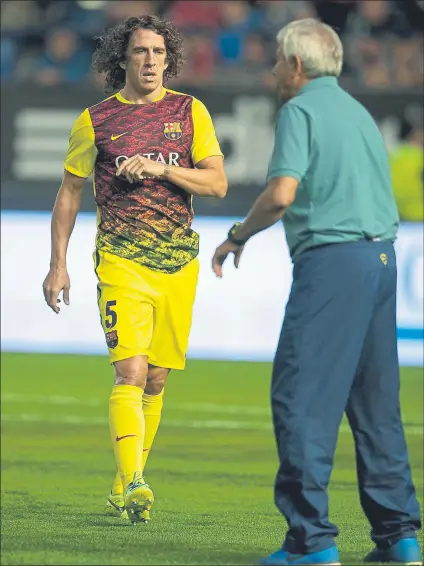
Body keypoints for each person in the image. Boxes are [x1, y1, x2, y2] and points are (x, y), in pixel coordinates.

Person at [212, 18, 421, 566]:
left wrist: (239, 235)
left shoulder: (299, 111)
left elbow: (281, 193)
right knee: (376, 406)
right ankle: (399, 537)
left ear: (297, 66)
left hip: (332, 264)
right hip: (380, 260)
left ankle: (311, 543)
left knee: (301, 399)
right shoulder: (358, 114)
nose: (275, 70)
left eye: (279, 60)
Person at [43, 14, 226, 525]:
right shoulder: (96, 120)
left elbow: (217, 184)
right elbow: (70, 192)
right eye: (140, 52)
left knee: (158, 380)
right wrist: (58, 264)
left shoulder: (191, 112)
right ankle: (140, 484)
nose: (150, 61)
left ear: (169, 60)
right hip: (121, 259)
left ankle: (124, 481)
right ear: (121, 59)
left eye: (158, 53)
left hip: (177, 262)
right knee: (131, 371)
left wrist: (162, 167)